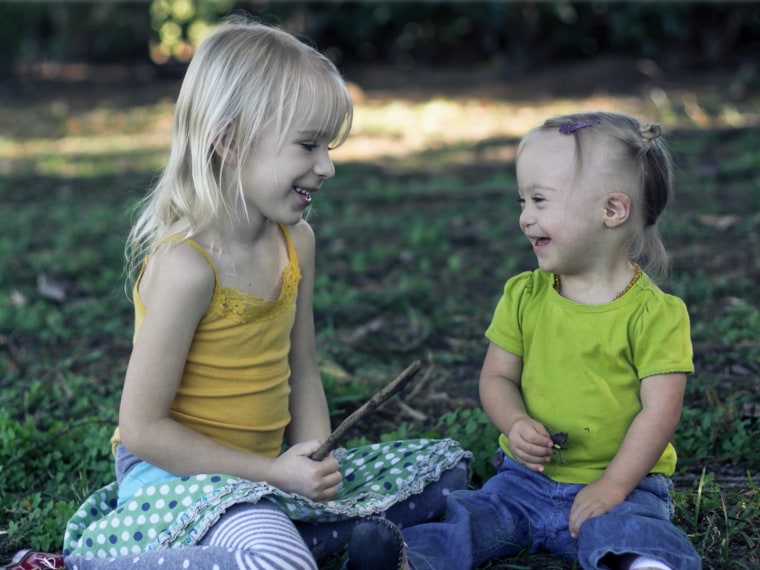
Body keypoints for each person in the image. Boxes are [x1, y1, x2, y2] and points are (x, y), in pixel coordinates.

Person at [7, 16, 470, 570]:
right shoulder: (187, 266)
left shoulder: (297, 242)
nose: (326, 166)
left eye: (328, 146)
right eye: (307, 145)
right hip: (175, 479)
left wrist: (314, 461)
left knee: (448, 472)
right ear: (228, 141)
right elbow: (142, 430)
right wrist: (274, 474)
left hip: (267, 472)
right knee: (279, 558)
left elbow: (303, 369)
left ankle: (296, 543)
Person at [346, 111, 702, 570]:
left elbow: (661, 411)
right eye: (522, 202)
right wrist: (514, 422)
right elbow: (496, 377)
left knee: (629, 526)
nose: (525, 218)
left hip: (622, 484)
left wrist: (612, 486)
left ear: (611, 210)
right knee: (472, 517)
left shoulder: (655, 314)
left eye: (539, 200)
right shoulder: (524, 295)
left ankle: (646, 564)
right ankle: (405, 561)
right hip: (523, 483)